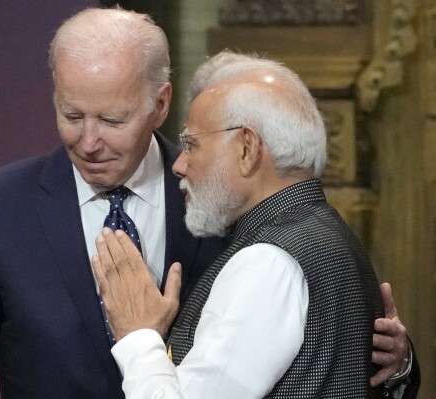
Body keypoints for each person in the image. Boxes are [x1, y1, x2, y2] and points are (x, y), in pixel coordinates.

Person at [0, 8, 414, 399]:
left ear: (160, 104)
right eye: (72, 115)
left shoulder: (225, 203)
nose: (89, 140)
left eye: (113, 119)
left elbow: (317, 349)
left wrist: (396, 365)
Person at [92, 53, 419, 398]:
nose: (180, 165)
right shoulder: (326, 231)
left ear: (247, 148)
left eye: (191, 144)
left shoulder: (268, 262)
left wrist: (139, 335)